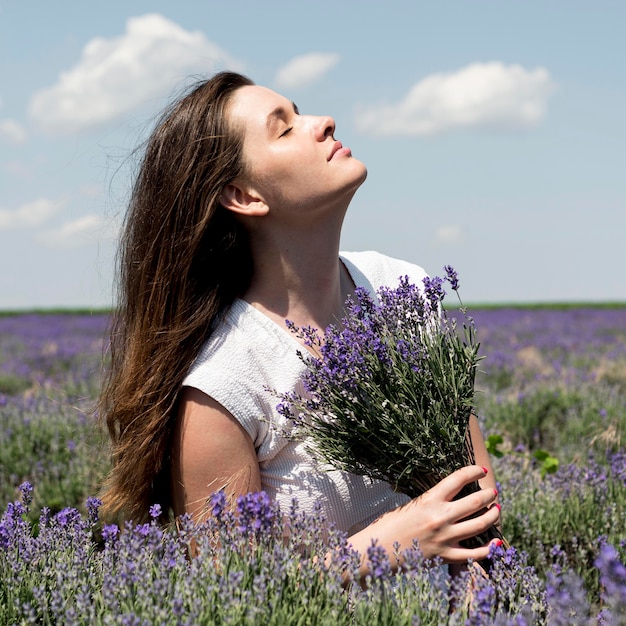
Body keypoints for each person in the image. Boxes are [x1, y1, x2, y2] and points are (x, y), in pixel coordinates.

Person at [99, 71, 501, 579]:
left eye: (300, 111)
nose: (323, 122)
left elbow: (481, 499)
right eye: (284, 128)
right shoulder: (225, 384)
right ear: (244, 195)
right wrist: (392, 543)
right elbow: (236, 596)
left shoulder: (404, 288)